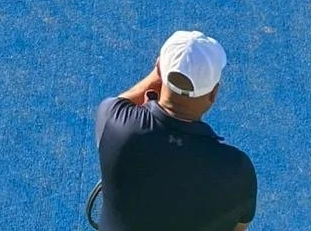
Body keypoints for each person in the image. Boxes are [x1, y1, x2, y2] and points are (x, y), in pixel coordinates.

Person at [95, 30, 257, 231]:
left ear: (159, 71)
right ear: (213, 93)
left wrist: (158, 76)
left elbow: (121, 102)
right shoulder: (238, 170)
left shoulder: (114, 122)